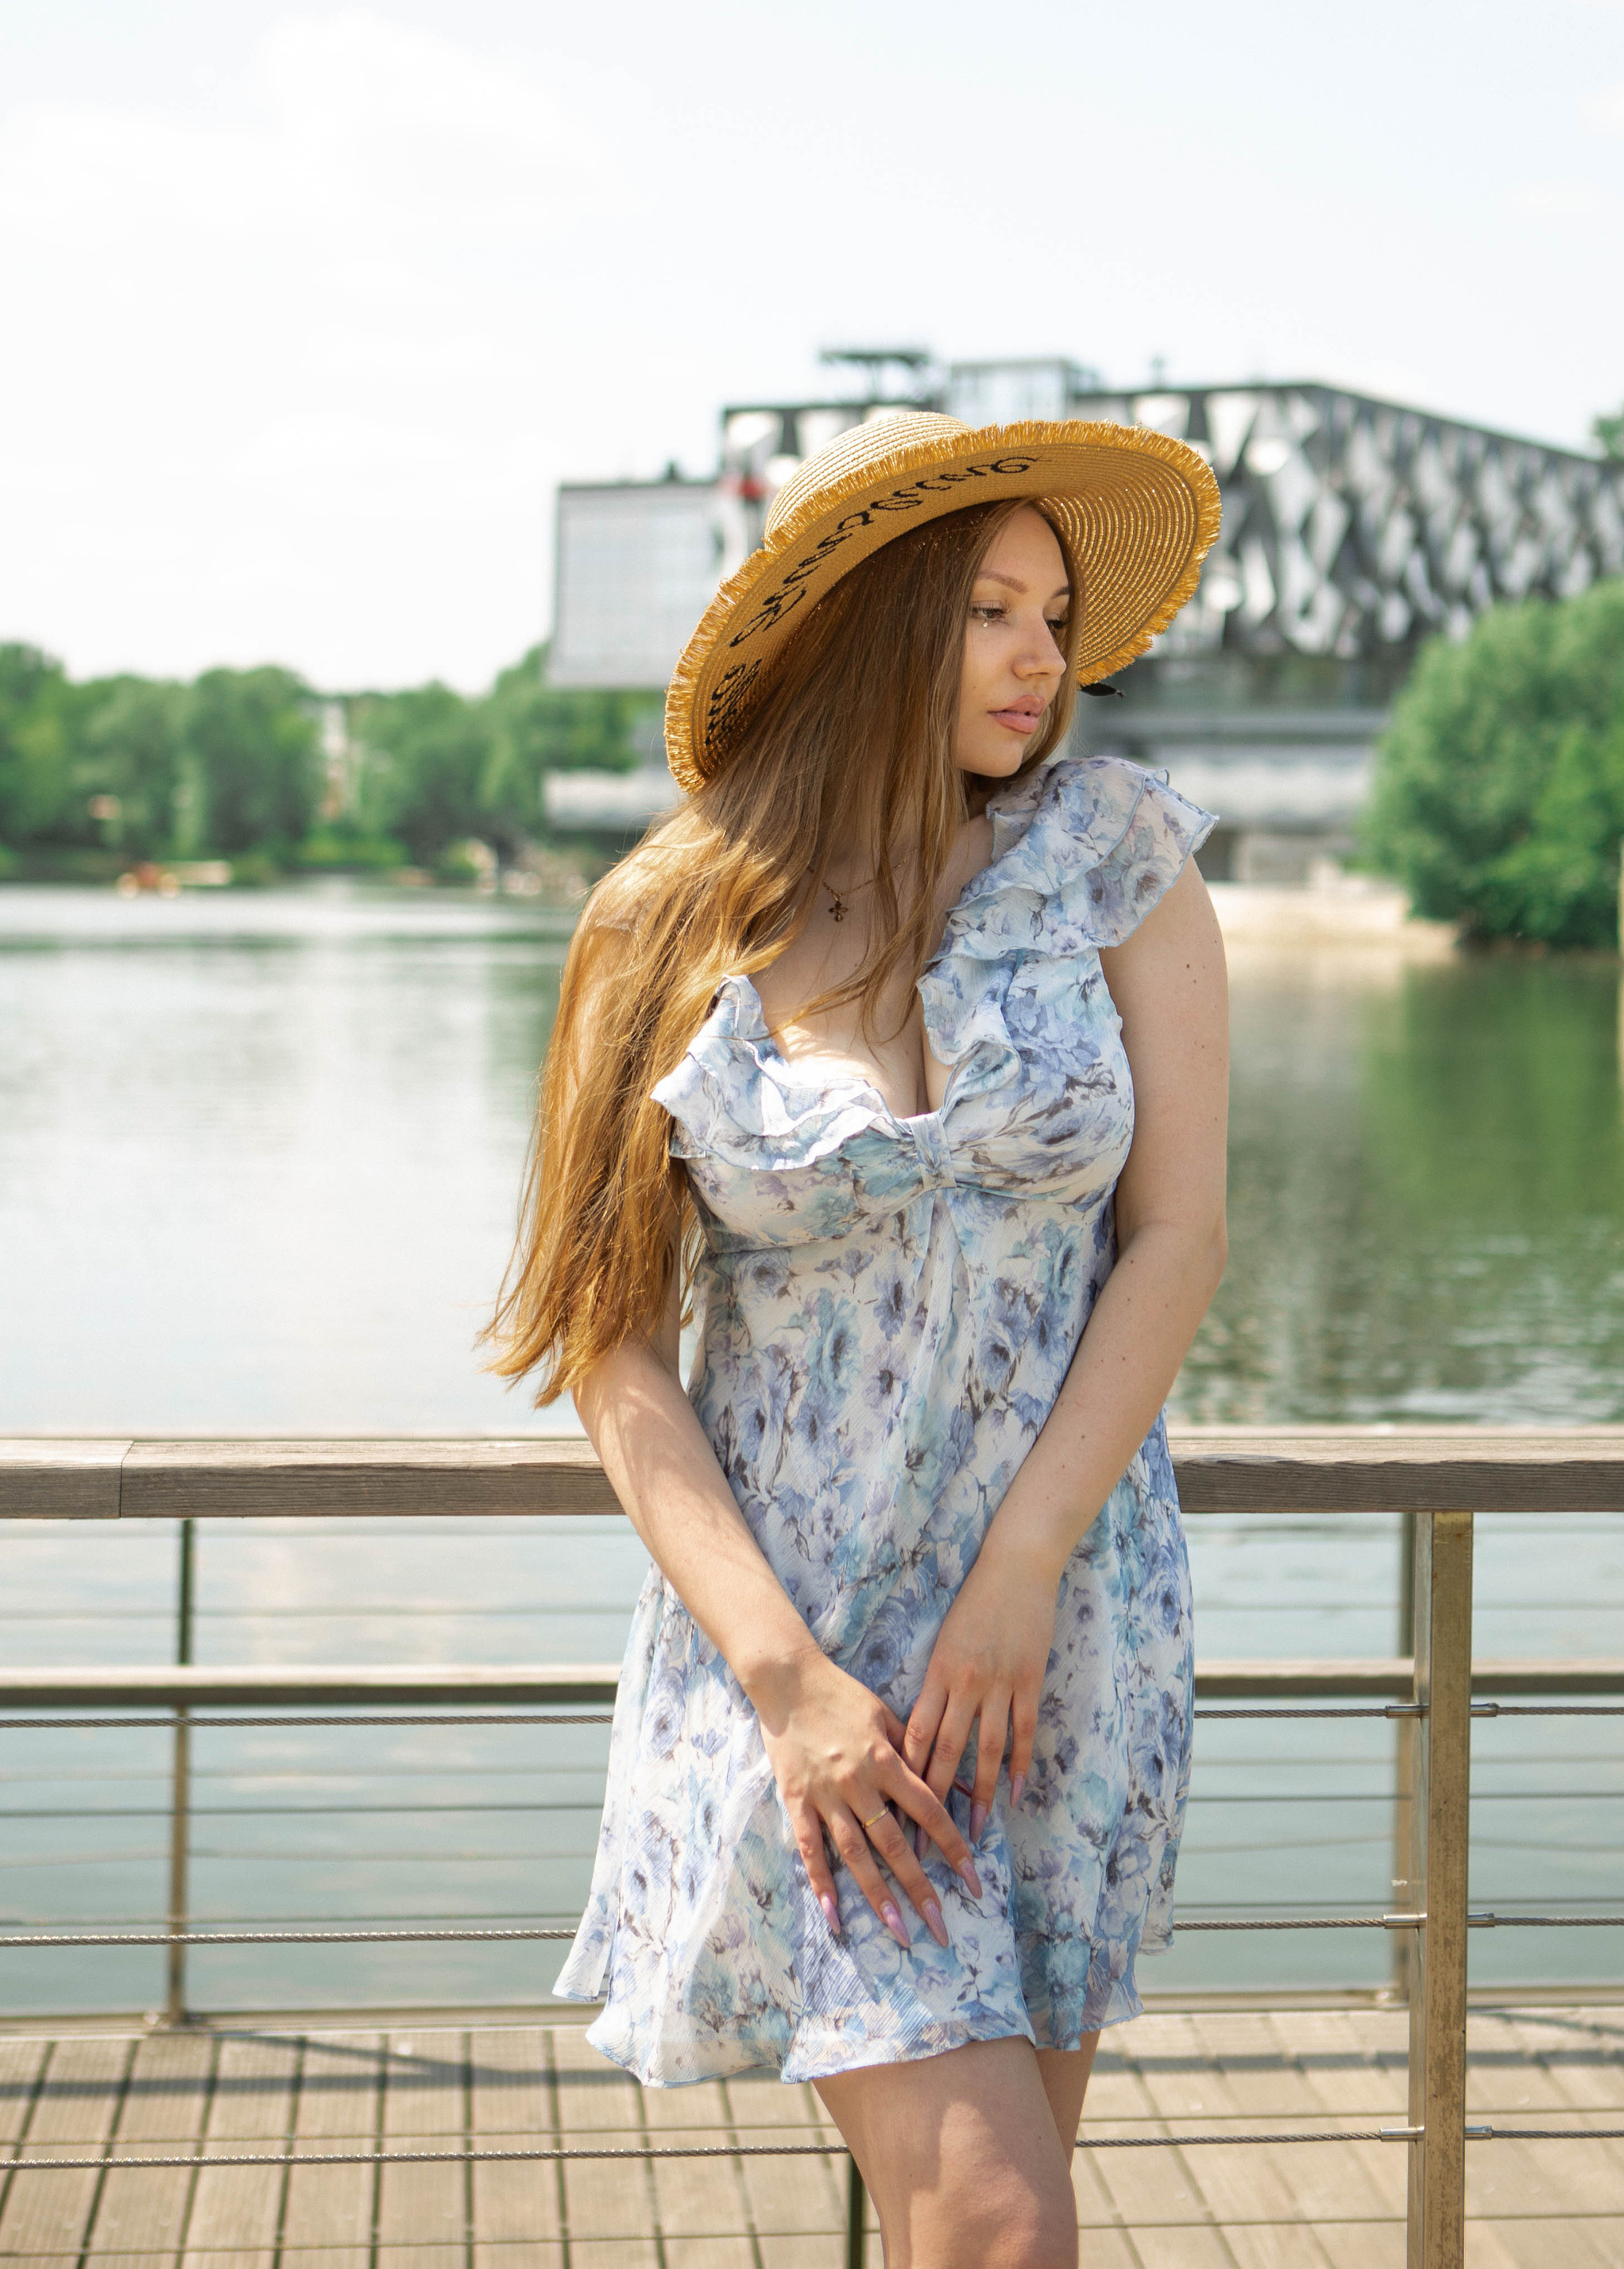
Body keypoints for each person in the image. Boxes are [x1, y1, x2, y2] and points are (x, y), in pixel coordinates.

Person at [489, 407, 1230, 2269]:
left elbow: (1177, 1234)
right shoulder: (668, 920)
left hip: (1050, 1633)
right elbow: (610, 1347)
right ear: (868, 625)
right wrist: (786, 1685)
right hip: (800, 1658)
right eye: (986, 610)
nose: (1040, 659)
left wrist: (1028, 1564)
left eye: (1053, 615)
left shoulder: (1113, 863)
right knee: (994, 2215)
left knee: (985, 2223)